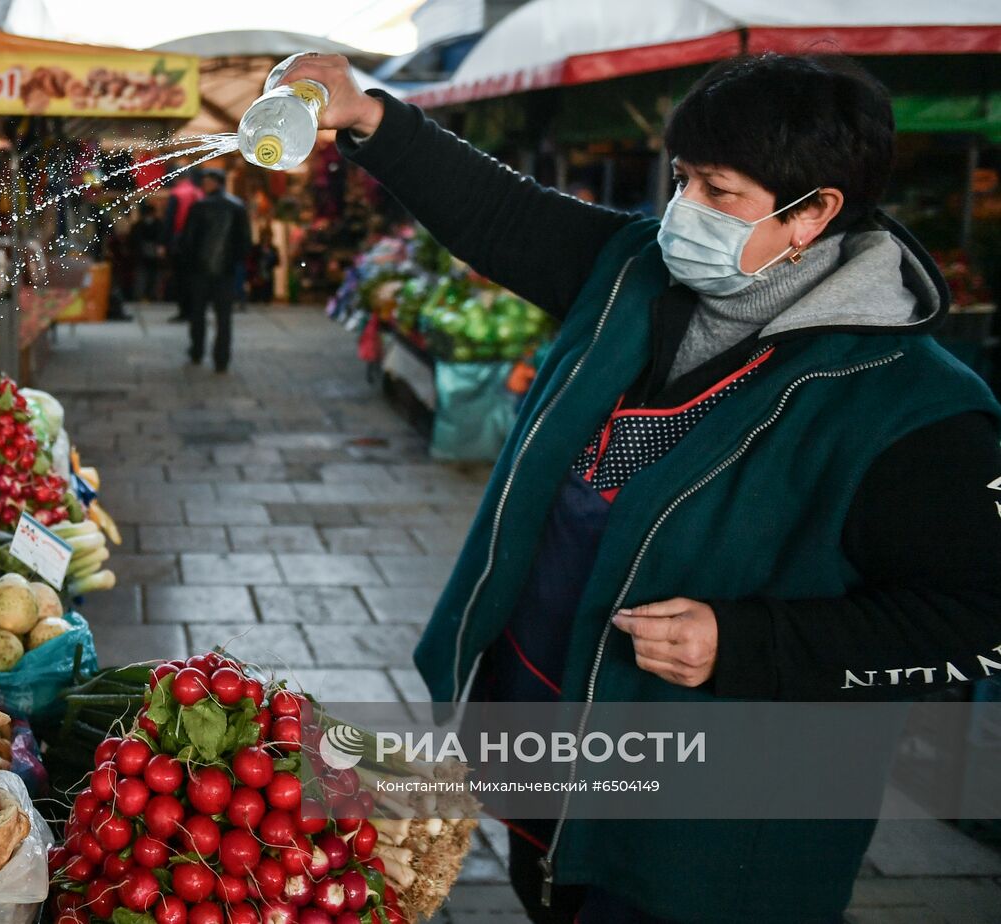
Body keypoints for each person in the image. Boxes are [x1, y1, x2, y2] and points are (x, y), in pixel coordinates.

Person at [278, 52, 1001, 923]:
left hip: (710, 823)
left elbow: (975, 615)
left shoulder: (911, 405)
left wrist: (748, 640)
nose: (682, 211)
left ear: (814, 214)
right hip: (551, 742)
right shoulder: (634, 276)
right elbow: (504, 213)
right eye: (682, 177)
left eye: (719, 192)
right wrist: (372, 119)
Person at [178, 168, 251, 372]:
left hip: (200, 269)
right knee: (223, 317)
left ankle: (197, 351)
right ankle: (221, 358)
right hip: (225, 271)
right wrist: (235, 262)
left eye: (207, 181)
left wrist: (187, 263)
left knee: (198, 314)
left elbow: (188, 240)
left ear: (216, 183)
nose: (204, 185)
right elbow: (244, 242)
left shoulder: (200, 206)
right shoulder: (237, 206)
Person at [164, 167, 205, 322]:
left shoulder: (176, 194)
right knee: (194, 278)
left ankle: (184, 310)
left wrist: (164, 242)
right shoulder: (199, 193)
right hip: (197, 243)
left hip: (180, 240)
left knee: (180, 278)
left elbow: (170, 220)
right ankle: (195, 310)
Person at [130, 200, 167, 302]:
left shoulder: (139, 225)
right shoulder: (157, 224)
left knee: (150, 275)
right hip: (145, 253)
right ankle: (144, 295)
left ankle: (151, 295)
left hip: (150, 253)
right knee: (144, 275)